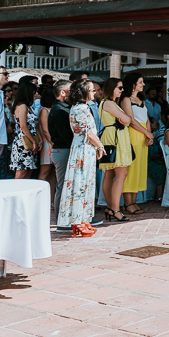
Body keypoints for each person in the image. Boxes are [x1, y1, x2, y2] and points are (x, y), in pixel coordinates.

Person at [56, 80, 104, 238]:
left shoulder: (80, 107)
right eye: (91, 90)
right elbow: (87, 132)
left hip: (85, 148)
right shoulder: (81, 108)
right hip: (83, 149)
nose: (94, 92)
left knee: (86, 184)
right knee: (80, 184)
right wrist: (100, 146)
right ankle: (78, 221)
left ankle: (83, 219)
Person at [98, 78, 135, 221]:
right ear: (111, 88)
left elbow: (128, 120)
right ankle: (115, 209)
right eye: (119, 87)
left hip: (113, 136)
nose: (122, 90)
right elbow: (127, 120)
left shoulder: (110, 103)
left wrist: (126, 119)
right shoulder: (108, 103)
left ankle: (110, 207)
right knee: (121, 173)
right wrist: (125, 118)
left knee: (109, 173)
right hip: (115, 138)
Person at [121, 72, 154, 216]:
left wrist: (149, 134)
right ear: (133, 84)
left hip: (143, 135)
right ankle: (128, 203)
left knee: (139, 168)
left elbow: (146, 118)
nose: (143, 84)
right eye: (141, 82)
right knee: (131, 168)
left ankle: (134, 201)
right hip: (132, 135)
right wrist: (147, 133)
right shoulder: (126, 99)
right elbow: (131, 120)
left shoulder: (142, 99)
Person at [48, 81, 77, 215]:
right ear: (63, 93)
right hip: (63, 150)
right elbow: (66, 135)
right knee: (63, 185)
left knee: (64, 184)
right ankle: (60, 216)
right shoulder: (60, 110)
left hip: (62, 150)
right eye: (71, 91)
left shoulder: (63, 108)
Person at [8, 78, 40, 179]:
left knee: (28, 170)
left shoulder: (28, 106)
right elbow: (23, 126)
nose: (36, 94)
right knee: (21, 172)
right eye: (34, 92)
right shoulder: (22, 106)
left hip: (28, 141)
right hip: (23, 142)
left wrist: (38, 139)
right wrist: (33, 141)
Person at [36, 85, 56, 202]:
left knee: (53, 173)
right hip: (47, 143)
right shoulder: (44, 110)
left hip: (51, 142)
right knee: (44, 171)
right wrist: (52, 142)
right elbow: (45, 129)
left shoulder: (51, 109)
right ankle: (39, 199)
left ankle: (51, 199)